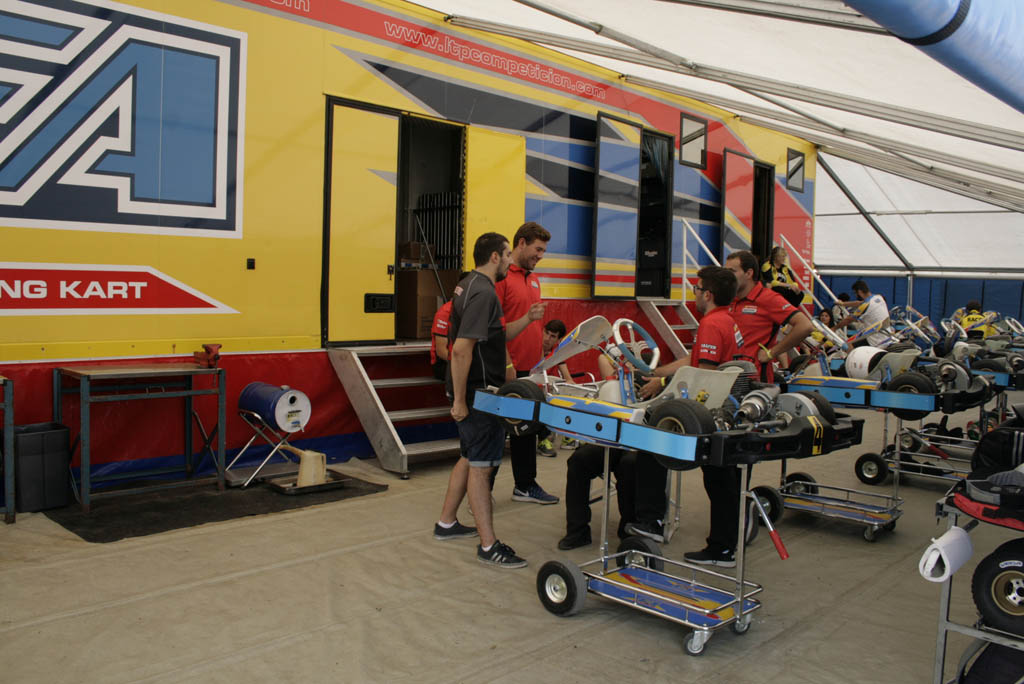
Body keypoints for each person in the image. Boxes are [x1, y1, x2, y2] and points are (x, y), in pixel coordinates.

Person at [433, 232, 544, 569]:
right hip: (479, 393)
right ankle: (488, 545)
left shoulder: (468, 285)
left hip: (474, 390)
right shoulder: (483, 293)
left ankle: (446, 523)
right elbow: (461, 350)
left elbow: (496, 336)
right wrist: (461, 401)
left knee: (469, 457)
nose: (510, 261)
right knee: (482, 468)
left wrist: (528, 319)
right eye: (507, 255)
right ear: (495, 256)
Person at [629, 266, 746, 555]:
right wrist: (657, 373)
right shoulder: (728, 320)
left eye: (697, 289)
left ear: (708, 294)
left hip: (709, 409)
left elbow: (703, 374)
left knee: (651, 438)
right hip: (726, 405)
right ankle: (725, 545)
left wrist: (662, 385)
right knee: (722, 480)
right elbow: (694, 359)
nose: (694, 294)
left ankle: (651, 521)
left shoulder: (710, 324)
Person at [495, 221, 559, 504]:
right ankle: (480, 491)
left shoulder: (533, 280)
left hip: (531, 370)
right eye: (538, 249)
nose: (540, 256)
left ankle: (525, 486)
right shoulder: (501, 278)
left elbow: (533, 324)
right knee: (495, 433)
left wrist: (540, 363)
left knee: (527, 430)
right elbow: (495, 328)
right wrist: (507, 365)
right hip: (508, 370)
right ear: (521, 243)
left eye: (543, 251)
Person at [726, 250, 813, 383]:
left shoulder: (768, 298)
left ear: (748, 273)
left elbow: (805, 326)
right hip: (728, 375)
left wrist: (771, 353)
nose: (727, 276)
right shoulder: (729, 299)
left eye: (732, 271)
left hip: (754, 380)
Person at [557, 445, 637, 550]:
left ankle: (631, 534)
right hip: (616, 443)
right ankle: (578, 532)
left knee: (630, 464)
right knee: (579, 459)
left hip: (644, 446)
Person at [536, 319, 577, 457]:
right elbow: (537, 371)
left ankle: (567, 435)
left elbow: (568, 377)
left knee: (570, 392)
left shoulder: (557, 351)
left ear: (558, 340)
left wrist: (572, 387)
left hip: (549, 388)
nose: (547, 338)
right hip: (532, 387)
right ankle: (543, 440)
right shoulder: (534, 345)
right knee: (544, 398)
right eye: (546, 333)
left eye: (552, 336)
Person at [429, 271, 471, 381]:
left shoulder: (474, 311)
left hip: (465, 359)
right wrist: (464, 363)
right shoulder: (445, 312)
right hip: (445, 363)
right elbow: (441, 351)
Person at [837, 280, 890, 348]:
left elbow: (848, 320)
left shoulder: (865, 305)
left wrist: (834, 328)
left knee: (848, 345)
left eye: (855, 293)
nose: (855, 295)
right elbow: (859, 303)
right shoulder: (879, 297)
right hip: (887, 336)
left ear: (859, 292)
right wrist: (843, 303)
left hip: (875, 340)